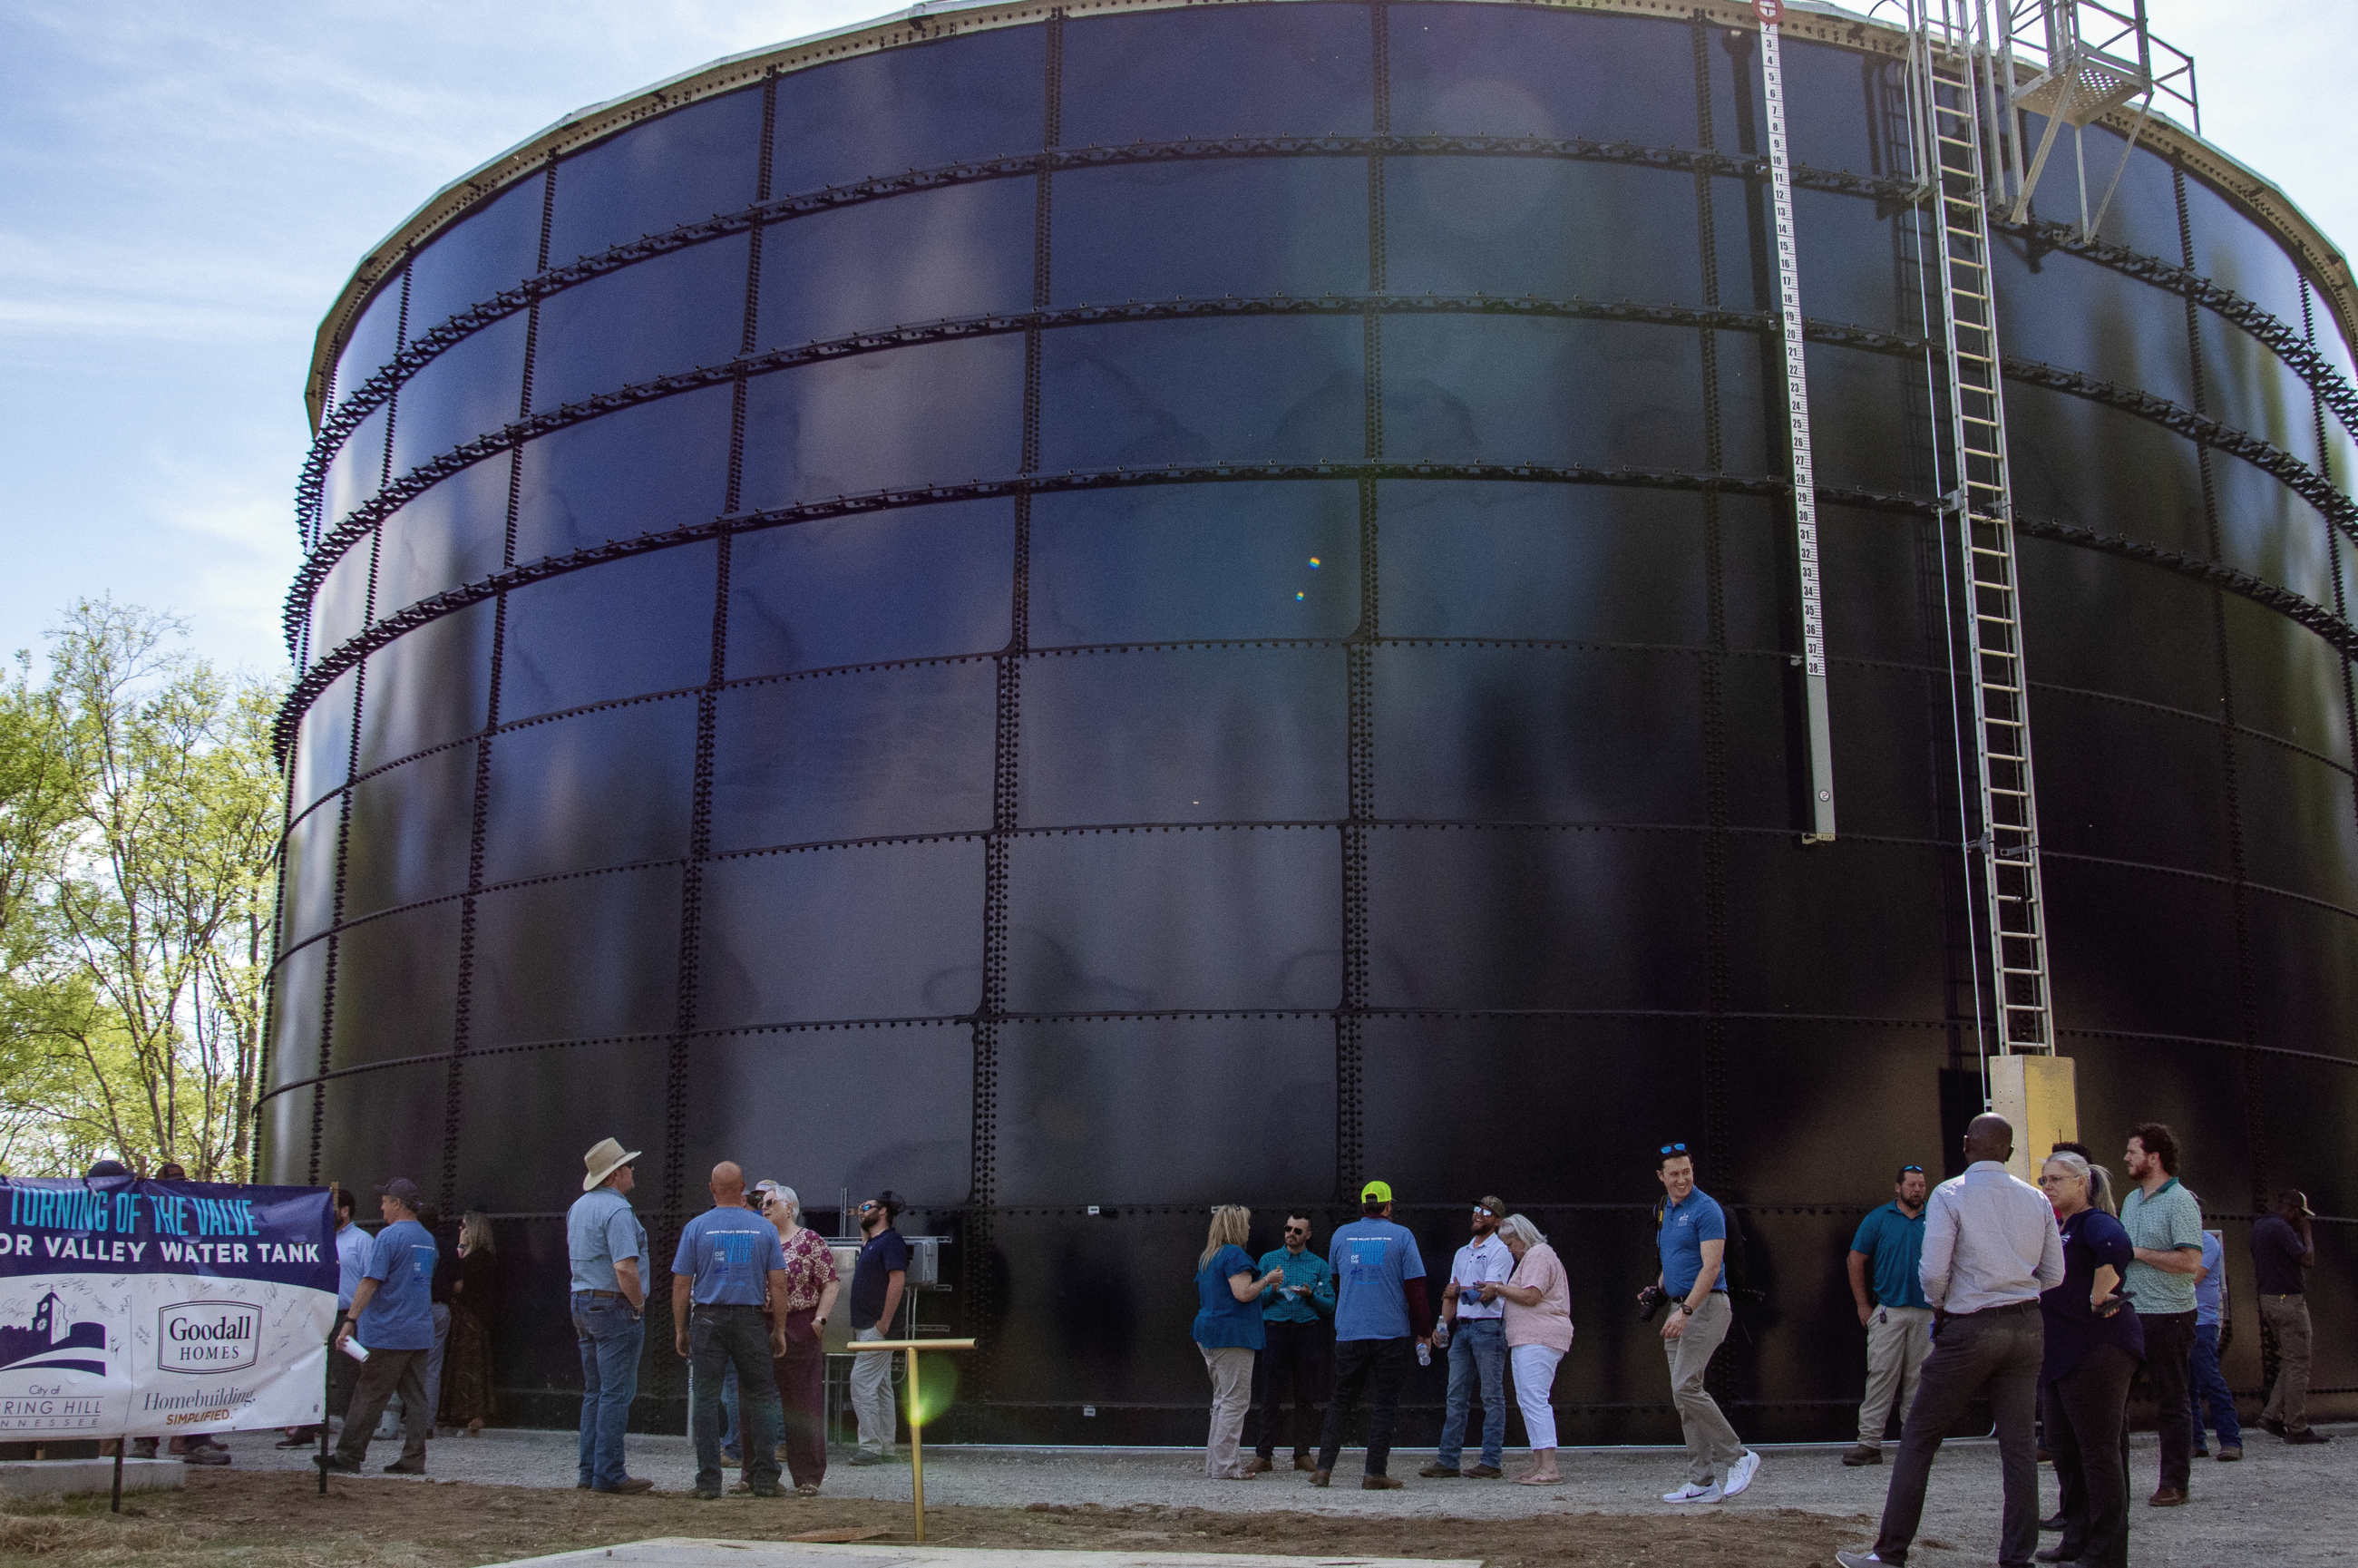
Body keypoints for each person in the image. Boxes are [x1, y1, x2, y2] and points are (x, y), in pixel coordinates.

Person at [1836, 1114, 2063, 1568]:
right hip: (2026, 1326)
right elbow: (2055, 1274)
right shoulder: (2036, 1198)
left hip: (1971, 1326)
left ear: (1965, 1145)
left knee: (1919, 1437)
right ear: (2011, 1153)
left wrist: (1942, 1306)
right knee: (2019, 1449)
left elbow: (1933, 1272)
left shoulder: (1950, 1194)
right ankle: (2017, 1558)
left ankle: (1890, 1554)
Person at [2035, 1151, 2144, 1568]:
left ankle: (2107, 1552)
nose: (2048, 1188)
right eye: (2044, 1180)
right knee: (2065, 1449)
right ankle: (2076, 1538)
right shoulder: (2062, 1227)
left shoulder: (2095, 1221)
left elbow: (2117, 1245)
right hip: (2063, 1353)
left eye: (2056, 1180)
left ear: (2082, 1183)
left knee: (2099, 1452)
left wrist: (2101, 1292)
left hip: (2098, 1350)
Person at [1646, 1144, 1759, 1504]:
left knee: (1686, 1387)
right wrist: (1657, 1289)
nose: (1682, 1180)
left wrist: (1687, 1311)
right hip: (1679, 1308)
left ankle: (1739, 1457)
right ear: (1661, 1177)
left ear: (1693, 1170)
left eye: (1687, 1172)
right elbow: (1676, 1259)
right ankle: (1702, 1481)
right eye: (1674, 1174)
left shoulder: (1707, 1209)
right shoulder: (1664, 1208)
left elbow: (1711, 1268)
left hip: (1705, 1309)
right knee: (1685, 1398)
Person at [672, 1161, 788, 1500]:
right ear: (744, 1188)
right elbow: (778, 1285)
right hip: (751, 1320)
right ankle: (765, 1479)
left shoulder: (696, 1228)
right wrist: (778, 1329)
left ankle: (708, 1482)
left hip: (707, 1319)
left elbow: (681, 1285)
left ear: (711, 1188)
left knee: (706, 1400)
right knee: (762, 1397)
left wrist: (681, 1328)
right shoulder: (763, 1229)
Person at [1311, 1179, 1433, 1491]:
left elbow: (1337, 1280)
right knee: (1385, 1402)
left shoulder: (1341, 1235)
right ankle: (1374, 1472)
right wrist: (1424, 1330)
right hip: (1390, 1334)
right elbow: (1416, 1290)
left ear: (1364, 1206)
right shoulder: (1403, 1236)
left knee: (1341, 1399)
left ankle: (1323, 1468)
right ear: (1389, 1206)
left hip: (1350, 1332)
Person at [319, 1177, 439, 1475]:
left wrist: (350, 1320)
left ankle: (348, 1456)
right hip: (419, 1330)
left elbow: (370, 1281)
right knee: (415, 1397)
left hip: (388, 1333)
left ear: (397, 1203)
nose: (381, 1205)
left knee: (369, 1393)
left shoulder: (388, 1237)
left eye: (385, 1200)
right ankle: (414, 1458)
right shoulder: (427, 1238)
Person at [2119, 1123, 2203, 1506]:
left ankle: (2174, 1483)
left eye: (2132, 1152)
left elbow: (2190, 1262)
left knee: (2172, 1399)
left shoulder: (2180, 1201)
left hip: (2169, 1316)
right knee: (2114, 1399)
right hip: (2130, 1312)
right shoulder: (2131, 1200)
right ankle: (2113, 1485)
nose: (2126, 1158)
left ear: (2154, 1158)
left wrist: (2139, 1253)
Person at [569, 1136, 653, 1495]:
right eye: (629, 1166)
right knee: (616, 1394)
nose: (633, 1170)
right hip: (613, 1305)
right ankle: (610, 1474)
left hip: (581, 1302)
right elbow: (624, 1268)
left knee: (595, 1392)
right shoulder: (618, 1211)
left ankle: (589, 1472)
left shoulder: (579, 1208)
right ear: (616, 1174)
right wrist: (637, 1304)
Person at [752, 1183, 840, 1494]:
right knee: (756, 1398)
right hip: (761, 1323)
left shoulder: (810, 1241)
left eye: (770, 1202)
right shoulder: (759, 1242)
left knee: (803, 1400)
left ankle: (808, 1477)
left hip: (799, 1322)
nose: (763, 1207)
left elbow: (830, 1282)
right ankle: (755, 1474)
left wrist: (819, 1320)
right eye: (761, 1203)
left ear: (789, 1207)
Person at [1845, 1164, 1934, 1466]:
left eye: (1921, 1184)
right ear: (1898, 1188)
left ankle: (1915, 1445)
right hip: (1888, 1312)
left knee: (1920, 1380)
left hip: (1927, 1312)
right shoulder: (1879, 1218)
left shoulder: (1936, 1217)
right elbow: (1855, 1260)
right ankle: (1869, 1444)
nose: (1917, 1190)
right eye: (1911, 1184)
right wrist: (1862, 1306)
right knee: (1881, 1376)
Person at [1423, 1196, 1514, 1480]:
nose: (1479, 1214)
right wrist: (1441, 1324)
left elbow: (1488, 1294)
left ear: (1497, 1221)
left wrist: (1458, 1292)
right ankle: (1448, 1460)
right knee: (1456, 1396)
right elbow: (1453, 1294)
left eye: (1487, 1212)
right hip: (1461, 1328)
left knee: (1491, 1396)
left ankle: (1491, 1461)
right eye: (1477, 1209)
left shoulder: (1500, 1251)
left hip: (1488, 1327)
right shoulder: (1462, 1253)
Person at [1193, 1206, 1287, 1479]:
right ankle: (1226, 1467)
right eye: (1245, 1224)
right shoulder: (1234, 1254)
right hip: (1231, 1336)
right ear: (1236, 1227)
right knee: (1234, 1402)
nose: (1248, 1228)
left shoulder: (1209, 1256)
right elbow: (1243, 1293)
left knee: (1222, 1401)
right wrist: (1267, 1279)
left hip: (1209, 1334)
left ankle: (1215, 1465)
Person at [281, 1185, 371, 1449]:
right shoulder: (318, 1239)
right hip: (317, 1314)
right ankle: (307, 1427)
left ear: (344, 1210)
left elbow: (373, 1281)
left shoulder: (362, 1242)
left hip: (346, 1316)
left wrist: (356, 1319)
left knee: (346, 1375)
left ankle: (351, 1432)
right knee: (313, 1371)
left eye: (330, 1209)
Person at [1248, 1209, 1333, 1474]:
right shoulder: (1268, 1260)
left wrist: (1310, 1296)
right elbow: (1254, 1301)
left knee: (1305, 1395)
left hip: (1306, 1332)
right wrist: (1271, 1290)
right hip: (1275, 1331)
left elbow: (1329, 1305)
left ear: (1308, 1235)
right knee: (1270, 1394)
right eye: (1288, 1229)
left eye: (1297, 1231)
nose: (1291, 1235)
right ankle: (1264, 1456)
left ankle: (1302, 1455)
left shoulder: (1319, 1265)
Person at [1489, 1213, 1572, 1485]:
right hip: (1529, 1338)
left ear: (1522, 1237)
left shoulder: (1538, 1255)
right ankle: (1539, 1464)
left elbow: (1532, 1295)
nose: (1510, 1251)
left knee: (1534, 1399)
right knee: (1528, 1400)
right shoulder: (1536, 1256)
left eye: (1511, 1244)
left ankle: (1549, 1467)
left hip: (1539, 1337)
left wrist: (1498, 1288)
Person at [2252, 1189, 2330, 1445]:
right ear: (2293, 1210)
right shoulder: (2283, 1229)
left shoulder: (2260, 1226)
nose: (2301, 1219)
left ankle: (2272, 1414)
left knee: (2290, 1360)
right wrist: (2307, 1232)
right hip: (2289, 1302)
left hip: (2269, 1300)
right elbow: (2307, 1259)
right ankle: (2296, 1425)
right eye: (2301, 1215)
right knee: (2300, 1364)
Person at [847, 1191, 910, 1465]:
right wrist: (862, 1215)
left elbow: (897, 1281)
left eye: (868, 1206)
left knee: (861, 1382)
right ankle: (886, 1447)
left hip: (878, 1326)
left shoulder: (892, 1241)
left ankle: (870, 1446)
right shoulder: (872, 1243)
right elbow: (866, 1233)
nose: (862, 1210)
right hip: (868, 1324)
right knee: (881, 1385)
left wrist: (884, 1321)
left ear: (884, 1212)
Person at [441, 1210, 501, 1435]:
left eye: (464, 1226)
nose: (460, 1229)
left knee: (471, 1366)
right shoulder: (479, 1257)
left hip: (472, 1317)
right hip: (466, 1317)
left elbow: (458, 1280)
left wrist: (461, 1248)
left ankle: (474, 1413)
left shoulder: (480, 1258)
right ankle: (456, 1412)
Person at [2185, 1227, 2238, 1461]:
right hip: (2179, 1320)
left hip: (2202, 1323)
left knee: (2211, 1382)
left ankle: (2231, 1441)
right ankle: (2196, 1442)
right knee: (2187, 1386)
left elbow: (2192, 1277)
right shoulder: (2174, 1245)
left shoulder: (2208, 1243)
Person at [419, 1203, 455, 1436]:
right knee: (432, 1369)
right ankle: (425, 1425)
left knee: (405, 1365)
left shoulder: (420, 1245)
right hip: (442, 1309)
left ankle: (392, 1421)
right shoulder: (449, 1247)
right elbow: (458, 1285)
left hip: (421, 1309)